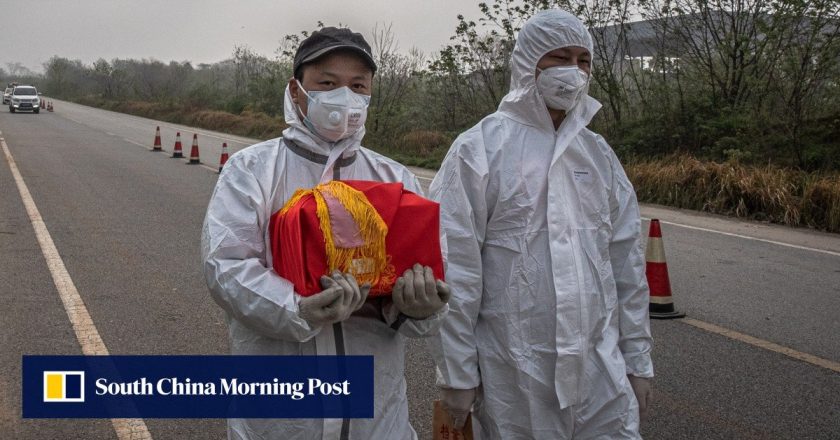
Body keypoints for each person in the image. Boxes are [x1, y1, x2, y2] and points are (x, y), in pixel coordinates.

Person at [201, 26, 450, 440]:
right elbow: (226, 267)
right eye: (328, 83)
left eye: (357, 85)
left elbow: (427, 273)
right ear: (297, 91)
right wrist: (296, 308)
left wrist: (419, 307)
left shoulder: (395, 178)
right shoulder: (252, 170)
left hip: (377, 415)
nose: (344, 97)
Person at [427, 9, 654, 439]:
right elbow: (453, 267)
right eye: (559, 58)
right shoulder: (480, 150)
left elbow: (626, 265)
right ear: (529, 63)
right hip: (516, 373)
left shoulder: (597, 154)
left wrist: (638, 359)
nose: (573, 72)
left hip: (600, 370)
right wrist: (458, 373)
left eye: (583, 60)